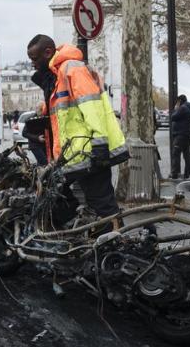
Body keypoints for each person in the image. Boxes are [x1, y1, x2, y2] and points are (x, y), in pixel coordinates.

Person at [26, 34, 129, 217]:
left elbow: (92, 107)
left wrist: (100, 145)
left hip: (88, 152)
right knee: (76, 200)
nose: (33, 64)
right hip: (75, 154)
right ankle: (101, 236)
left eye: (34, 59)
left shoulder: (72, 69)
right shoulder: (58, 75)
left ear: (48, 52)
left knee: (102, 204)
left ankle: (116, 240)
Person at [168, 95, 190, 180]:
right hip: (187, 135)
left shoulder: (182, 108)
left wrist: (176, 109)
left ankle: (174, 174)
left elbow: (173, 117)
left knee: (176, 154)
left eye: (177, 101)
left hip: (180, 135)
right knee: (186, 155)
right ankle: (187, 175)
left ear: (179, 101)